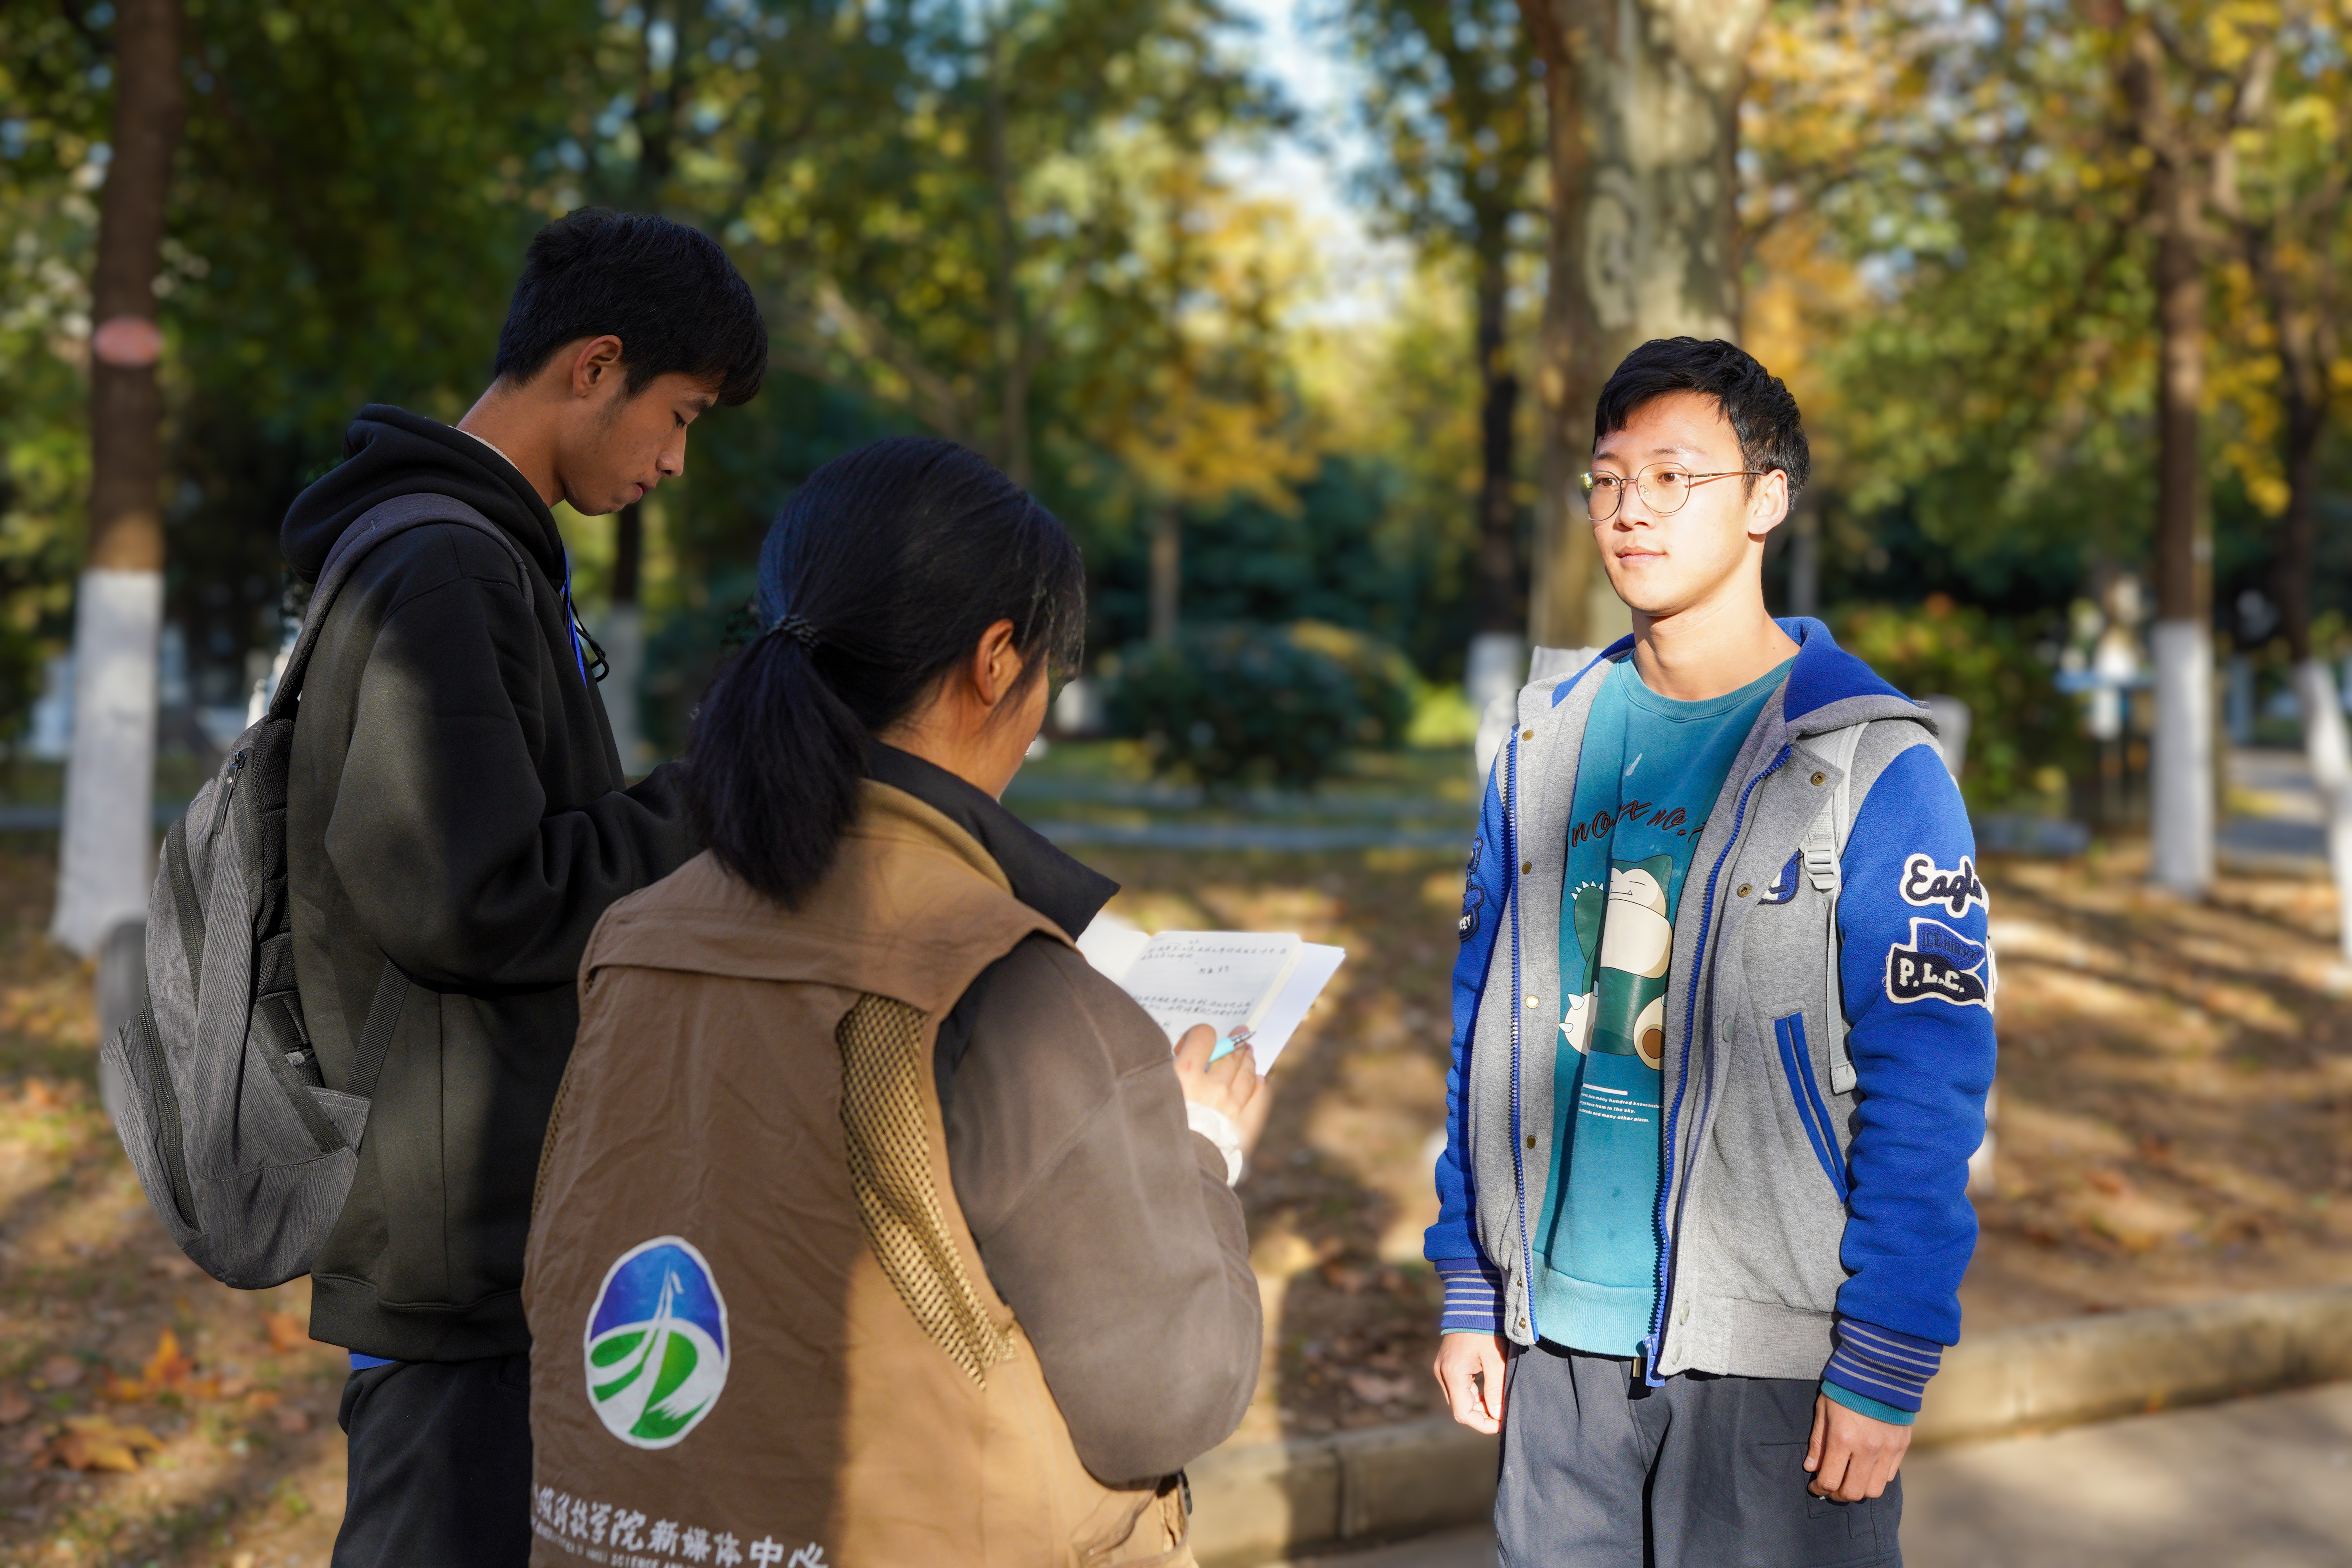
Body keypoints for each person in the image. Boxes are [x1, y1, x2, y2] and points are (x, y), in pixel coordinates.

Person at [522, 437, 1263, 1566]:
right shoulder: (1010, 989)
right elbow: (1164, 1400)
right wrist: (1203, 1149)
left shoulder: (635, 938)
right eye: (1052, 676)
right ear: (997, 662)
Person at [1427, 338, 1996, 1565]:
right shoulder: (1543, 742)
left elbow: (1930, 1079)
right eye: (1608, 479)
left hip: (1770, 1357)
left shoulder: (1867, 762)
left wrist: (1887, 1353)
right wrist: (1473, 1281)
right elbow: (1484, 1024)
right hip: (1555, 1339)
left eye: (1673, 477)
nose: (1630, 510)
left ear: (1766, 499)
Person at [278, 208, 766, 1567]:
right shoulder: (443, 565)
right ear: (596, 366)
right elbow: (473, 894)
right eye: (679, 416)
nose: (674, 460)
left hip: (481, 1192)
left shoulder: (477, 552)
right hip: (453, 1221)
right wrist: (709, 799)